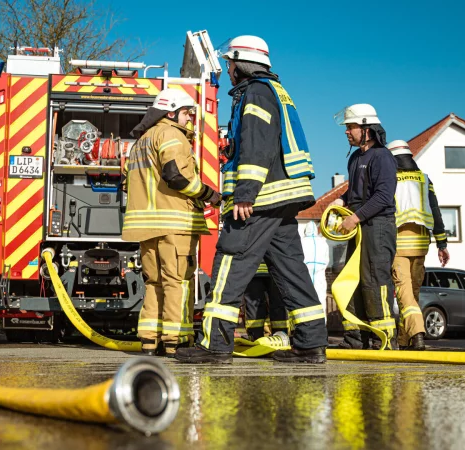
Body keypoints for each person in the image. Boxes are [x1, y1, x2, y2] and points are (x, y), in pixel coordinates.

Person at [176, 35, 328, 364]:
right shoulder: (275, 91)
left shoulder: (255, 93)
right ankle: (311, 343)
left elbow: (258, 144)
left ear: (242, 64)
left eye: (230, 63)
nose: (228, 69)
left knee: (231, 262)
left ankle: (215, 345)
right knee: (291, 272)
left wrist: (245, 193)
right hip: (282, 201)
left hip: (259, 200)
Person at [122, 89, 220, 357]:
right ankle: (176, 341)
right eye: (187, 112)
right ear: (171, 112)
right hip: (175, 223)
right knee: (178, 281)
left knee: (154, 283)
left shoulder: (141, 141)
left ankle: (150, 340)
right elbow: (176, 176)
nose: (189, 119)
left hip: (146, 226)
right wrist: (210, 195)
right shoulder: (171, 135)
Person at [330, 104, 398, 350]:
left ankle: (385, 341)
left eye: (351, 127)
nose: (347, 132)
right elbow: (358, 190)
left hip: (378, 227)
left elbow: (383, 196)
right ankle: (355, 340)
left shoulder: (382, 157)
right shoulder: (357, 157)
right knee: (353, 280)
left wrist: (355, 217)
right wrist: (342, 200)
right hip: (359, 225)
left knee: (375, 280)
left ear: (367, 129)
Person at [386, 140, 450, 351]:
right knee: (413, 294)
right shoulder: (424, 179)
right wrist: (442, 243)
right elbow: (435, 211)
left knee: (404, 294)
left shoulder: (390, 177)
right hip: (422, 244)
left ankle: (418, 334)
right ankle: (404, 341)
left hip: (398, 243)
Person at [242, 263, 289, 340]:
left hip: (253, 268)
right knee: (278, 304)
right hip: (275, 268)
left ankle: (254, 336)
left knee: (255, 306)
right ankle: (281, 336)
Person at [300, 221, 330, 322]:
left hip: (304, 272)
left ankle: (305, 325)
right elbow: (327, 259)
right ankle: (322, 325)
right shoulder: (323, 242)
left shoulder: (301, 241)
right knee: (321, 299)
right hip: (320, 273)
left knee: (304, 300)